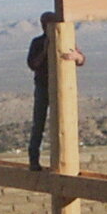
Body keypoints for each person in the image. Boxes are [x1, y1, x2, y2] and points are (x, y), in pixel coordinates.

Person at [26, 11, 85, 171]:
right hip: (43, 87)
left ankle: (66, 160)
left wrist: (76, 56)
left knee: (65, 122)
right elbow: (33, 64)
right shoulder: (37, 42)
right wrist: (45, 50)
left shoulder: (66, 40)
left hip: (62, 88)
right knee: (39, 122)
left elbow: (81, 59)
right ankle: (34, 159)